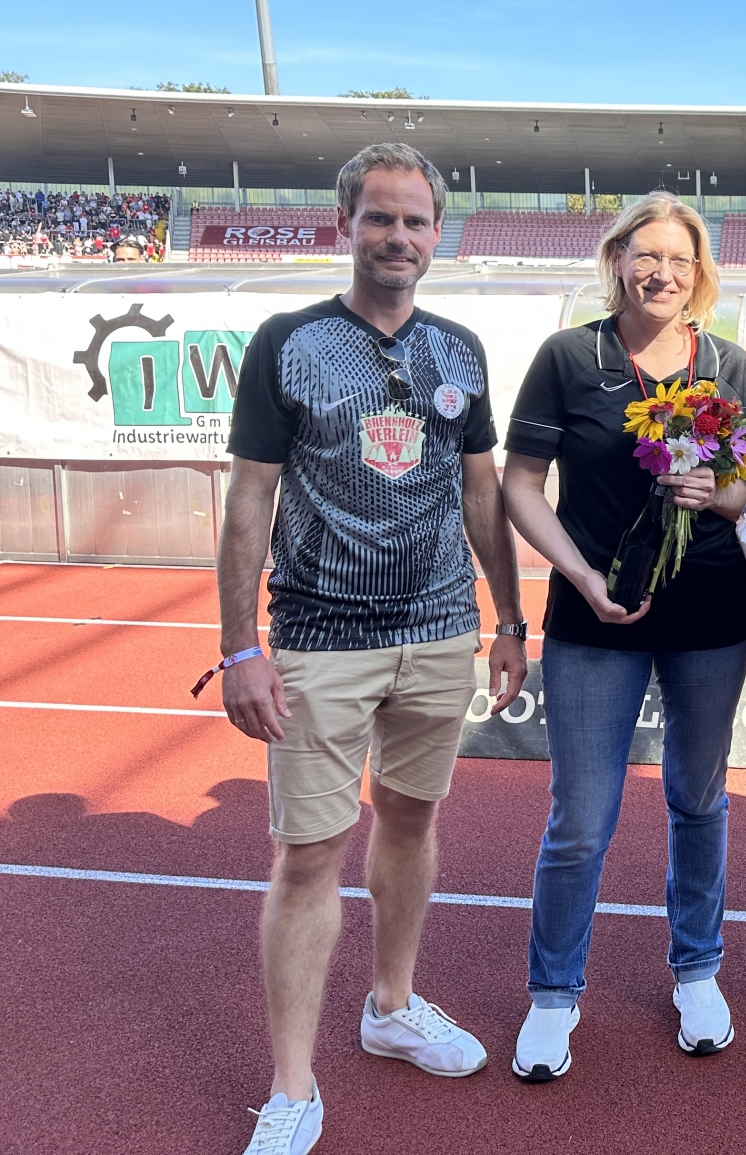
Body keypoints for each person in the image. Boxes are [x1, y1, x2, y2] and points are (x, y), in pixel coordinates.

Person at [218, 143, 528, 1155]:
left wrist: (510, 620)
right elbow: (252, 497)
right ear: (345, 222)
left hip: (439, 634)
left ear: (440, 233)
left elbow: (481, 491)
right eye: (380, 218)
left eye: (417, 221)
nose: (399, 237)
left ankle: (391, 1007)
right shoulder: (289, 343)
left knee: (408, 819)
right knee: (309, 856)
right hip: (315, 640)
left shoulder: (461, 350)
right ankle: (294, 1087)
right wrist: (238, 647)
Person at [502, 192, 746, 1081]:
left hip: (713, 613)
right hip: (593, 615)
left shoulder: (725, 365)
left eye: (680, 261)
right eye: (647, 256)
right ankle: (553, 995)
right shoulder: (570, 357)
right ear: (617, 260)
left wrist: (712, 495)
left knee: (699, 799)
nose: (662, 273)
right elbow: (522, 485)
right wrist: (579, 576)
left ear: (699, 275)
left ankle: (697, 971)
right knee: (581, 819)